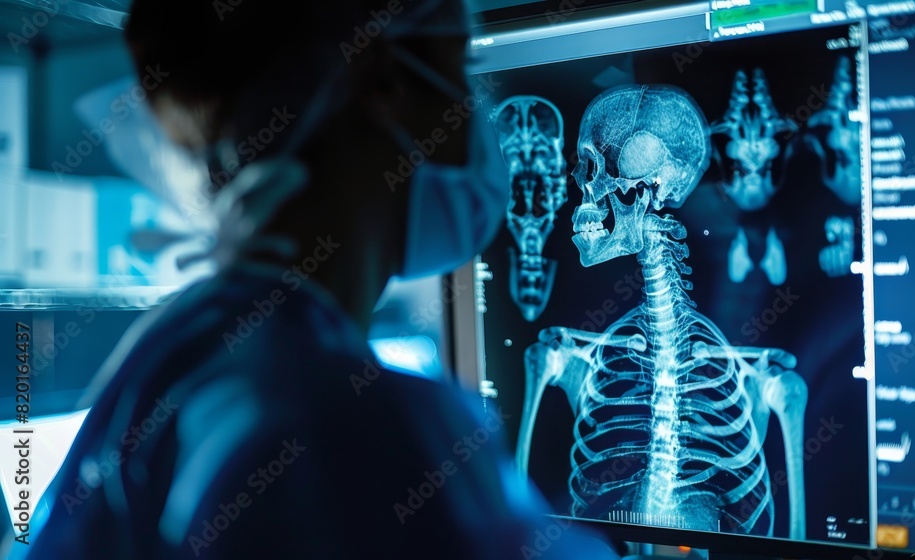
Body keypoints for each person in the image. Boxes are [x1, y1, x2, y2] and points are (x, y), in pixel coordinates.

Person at [3, 1, 622, 558]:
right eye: (460, 70)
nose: (474, 115)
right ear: (383, 83)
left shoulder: (180, 342)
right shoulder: (350, 425)